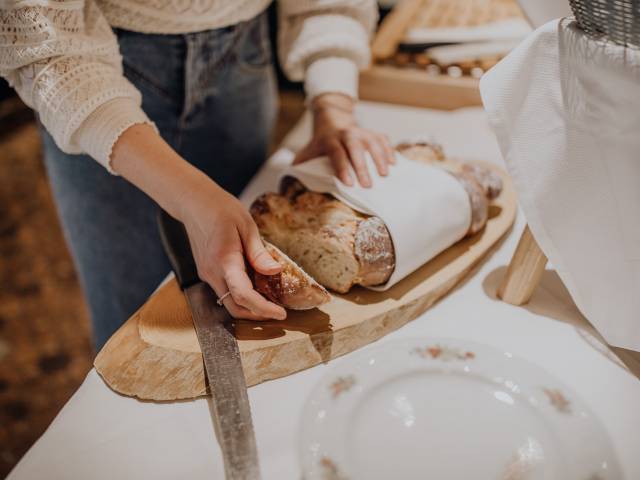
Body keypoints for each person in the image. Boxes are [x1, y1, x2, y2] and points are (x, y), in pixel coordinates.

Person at [0, 0, 395, 350]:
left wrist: (334, 106)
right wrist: (192, 197)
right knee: (137, 328)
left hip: (245, 55)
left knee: (249, 306)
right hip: (96, 87)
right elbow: (42, 38)